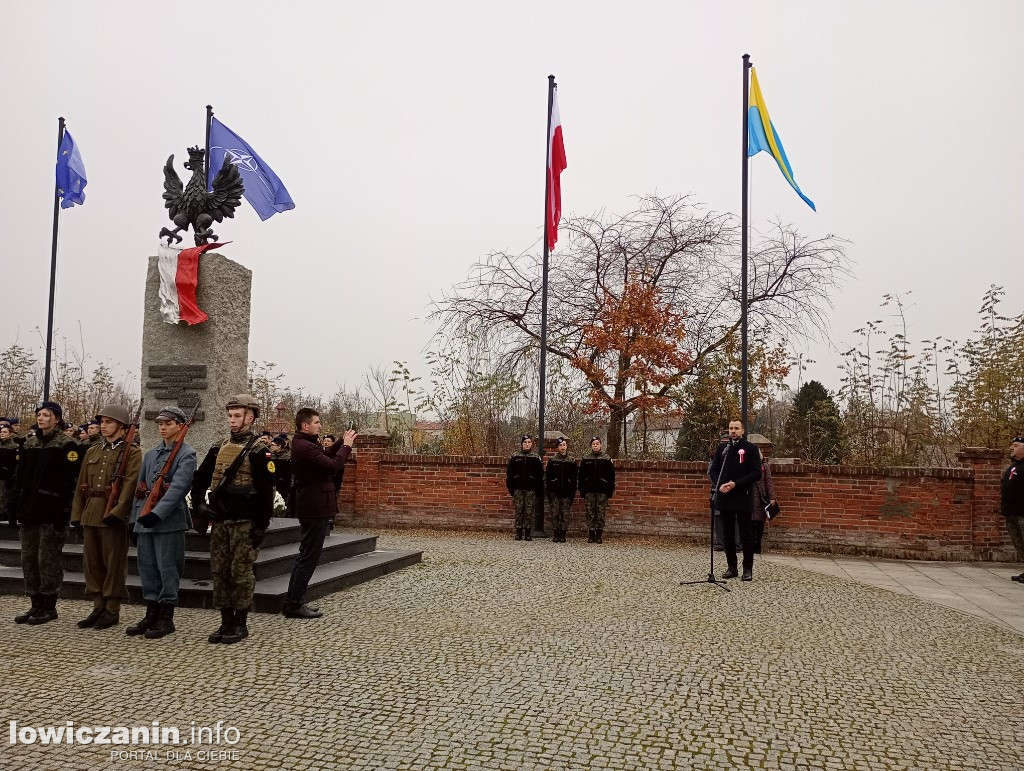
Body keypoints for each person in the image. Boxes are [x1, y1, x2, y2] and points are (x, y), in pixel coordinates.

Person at [191, 394, 275, 644]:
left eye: (237, 415)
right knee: (219, 572)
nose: (232, 420)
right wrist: (199, 505)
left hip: (244, 523)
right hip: (220, 521)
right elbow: (201, 477)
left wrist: (261, 525)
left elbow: (266, 491)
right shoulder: (218, 446)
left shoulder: (260, 451)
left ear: (250, 417)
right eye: (230, 415)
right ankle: (225, 621)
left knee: (240, 573)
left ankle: (240, 623)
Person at [126, 406, 197, 638]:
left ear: (180, 425)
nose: (163, 428)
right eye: (160, 424)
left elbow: (178, 489)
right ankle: (151, 613)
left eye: (168, 423)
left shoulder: (187, 454)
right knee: (147, 568)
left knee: (168, 569)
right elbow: (141, 491)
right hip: (146, 521)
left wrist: (158, 514)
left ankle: (166, 618)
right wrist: (135, 520)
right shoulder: (151, 454)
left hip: (169, 521)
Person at [69, 404, 142, 630]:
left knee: (113, 563)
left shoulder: (132, 452)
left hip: (113, 515)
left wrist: (118, 512)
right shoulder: (93, 451)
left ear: (121, 426)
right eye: (102, 422)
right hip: (91, 511)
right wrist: (77, 516)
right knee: (92, 563)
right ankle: (97, 606)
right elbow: (81, 485)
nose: (103, 426)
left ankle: (112, 608)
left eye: (108, 422)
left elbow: (130, 485)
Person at [10, 401, 83, 624]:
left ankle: (49, 605)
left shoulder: (67, 444)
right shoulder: (30, 444)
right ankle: (35, 603)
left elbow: (70, 482)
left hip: (51, 512)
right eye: (39, 415)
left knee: (47, 559)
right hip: (30, 511)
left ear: (57, 419)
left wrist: (64, 511)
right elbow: (20, 478)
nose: (41, 418)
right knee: (28, 558)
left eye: (46, 415)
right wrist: (15, 508)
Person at [284, 409, 355, 618]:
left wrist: (342, 440)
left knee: (305, 555)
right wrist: (347, 447)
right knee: (308, 558)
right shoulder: (304, 446)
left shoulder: (306, 443)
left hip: (313, 506)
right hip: (314, 508)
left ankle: (293, 601)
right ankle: (294, 603)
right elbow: (332, 466)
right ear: (305, 425)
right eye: (316, 422)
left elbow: (324, 456)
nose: (320, 426)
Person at [708, 418, 762, 581]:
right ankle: (732, 567)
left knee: (746, 534)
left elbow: (756, 473)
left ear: (743, 431)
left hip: (742, 495)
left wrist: (735, 484)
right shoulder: (723, 448)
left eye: (736, 428)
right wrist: (720, 485)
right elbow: (714, 470)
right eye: (731, 428)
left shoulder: (751, 449)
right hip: (725, 495)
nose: (733, 431)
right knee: (727, 534)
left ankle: (747, 569)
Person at [578, 437, 615, 544]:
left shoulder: (606, 459)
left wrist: (610, 489)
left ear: (601, 445)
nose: (595, 446)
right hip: (589, 490)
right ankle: (591, 534)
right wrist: (582, 489)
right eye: (593, 444)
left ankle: (598, 535)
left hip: (602, 491)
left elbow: (611, 476)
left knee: (600, 513)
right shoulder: (586, 459)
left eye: (597, 444)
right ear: (591, 446)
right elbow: (581, 476)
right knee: (590, 512)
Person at [506, 435, 543, 541]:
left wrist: (537, 489)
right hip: (518, 488)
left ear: (532, 444)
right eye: (525, 442)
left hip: (531, 489)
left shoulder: (535, 457)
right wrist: (511, 488)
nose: (527, 444)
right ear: (522, 444)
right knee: (519, 510)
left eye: (529, 442)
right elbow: (510, 473)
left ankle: (527, 532)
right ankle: (518, 532)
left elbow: (540, 475)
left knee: (529, 511)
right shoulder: (515, 456)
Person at [545, 436, 577, 543]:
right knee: (555, 513)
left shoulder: (572, 461)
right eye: (560, 445)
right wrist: (550, 491)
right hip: (555, 493)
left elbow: (574, 478)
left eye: (564, 445)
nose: (562, 447)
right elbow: (548, 478)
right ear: (557, 448)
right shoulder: (552, 460)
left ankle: (563, 533)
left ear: (566, 446)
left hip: (567, 493)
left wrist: (572, 491)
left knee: (565, 514)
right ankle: (556, 533)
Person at [1002, 435, 1024, 582]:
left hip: (1022, 512)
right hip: (1011, 512)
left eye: (1015, 445)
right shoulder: (1014, 465)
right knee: (1019, 542)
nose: (1011, 448)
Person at [750, 448, 777, 555]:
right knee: (750, 523)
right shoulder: (748, 465)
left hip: (761, 498)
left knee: (759, 523)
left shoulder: (764, 466)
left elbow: (769, 482)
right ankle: (751, 545)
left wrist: (772, 497)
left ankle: (758, 545)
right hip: (750, 498)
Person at [0, 423, 18, 525]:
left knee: (5, 499)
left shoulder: (14, 447)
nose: (2, 434)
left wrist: (12, 477)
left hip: (6, 477)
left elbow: (15, 464)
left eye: (5, 432)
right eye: (1, 432)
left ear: (10, 434)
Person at [270, 434, 293, 511]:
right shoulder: (270, 456)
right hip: (272, 483)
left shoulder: (287, 457)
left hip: (283, 485)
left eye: (273, 445)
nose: (271, 447)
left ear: (279, 446)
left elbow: (290, 474)